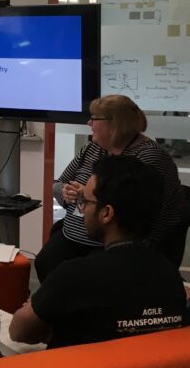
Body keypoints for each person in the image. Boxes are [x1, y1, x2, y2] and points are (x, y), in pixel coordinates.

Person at [11, 155, 186, 349]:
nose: (82, 209)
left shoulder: (75, 275)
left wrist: (50, 324)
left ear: (107, 213)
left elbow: (19, 330)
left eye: (85, 201)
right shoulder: (172, 277)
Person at [36, 95, 183, 282]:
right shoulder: (92, 149)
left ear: (115, 123)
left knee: (82, 279)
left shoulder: (149, 158)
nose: (89, 123)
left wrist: (88, 195)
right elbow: (58, 183)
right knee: (45, 262)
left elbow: (134, 209)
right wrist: (65, 191)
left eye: (94, 118)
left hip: (115, 242)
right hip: (74, 234)